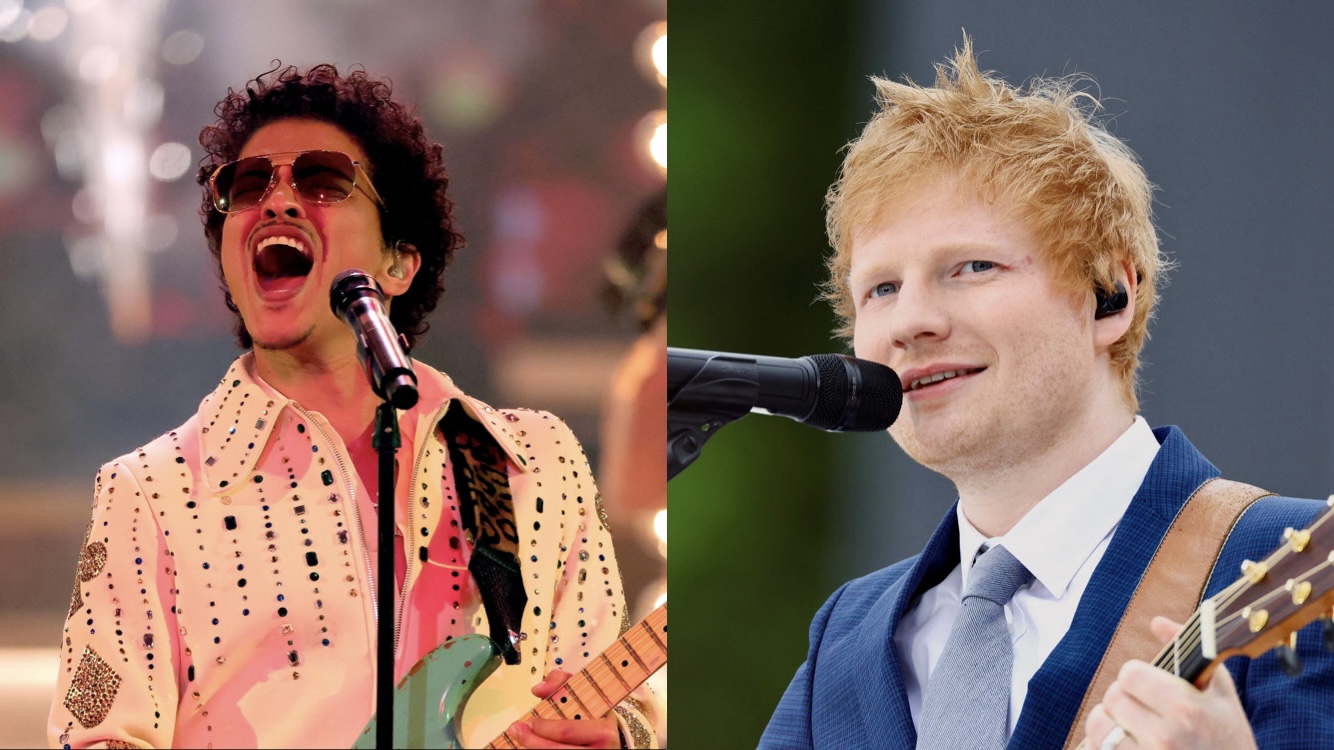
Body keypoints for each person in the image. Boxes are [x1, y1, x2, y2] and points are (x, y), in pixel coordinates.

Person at [49, 64, 660, 749]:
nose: (277, 201)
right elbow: (95, 736)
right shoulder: (151, 492)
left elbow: (627, 708)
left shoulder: (534, 459)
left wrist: (619, 740)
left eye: (322, 181)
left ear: (398, 264)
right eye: (247, 186)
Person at [758, 38, 1334, 750]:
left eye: (972, 266)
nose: (910, 321)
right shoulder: (847, 637)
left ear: (1109, 295)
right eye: (881, 288)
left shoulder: (1292, 562)